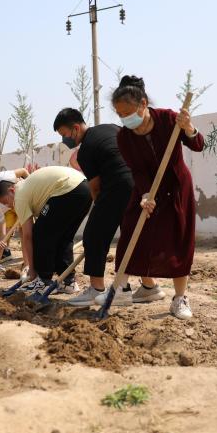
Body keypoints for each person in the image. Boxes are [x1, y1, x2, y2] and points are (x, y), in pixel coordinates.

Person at [94, 75, 204, 320]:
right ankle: (120, 289)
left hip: (176, 187)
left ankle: (179, 298)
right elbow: (137, 170)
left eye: (127, 112)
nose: (124, 119)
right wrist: (145, 193)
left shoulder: (168, 119)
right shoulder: (124, 137)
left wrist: (188, 127)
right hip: (147, 188)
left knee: (179, 239)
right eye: (119, 114)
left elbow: (198, 144)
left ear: (143, 104)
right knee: (133, 229)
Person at [53, 108, 165, 306]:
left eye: (65, 135)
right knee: (132, 237)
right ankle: (150, 287)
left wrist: (99, 215)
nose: (65, 140)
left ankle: (96, 288)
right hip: (140, 185)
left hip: (118, 186)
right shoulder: (110, 128)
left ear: (76, 128)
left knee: (93, 236)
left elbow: (95, 188)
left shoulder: (85, 150)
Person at [0, 166, 91, 293]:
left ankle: (43, 281)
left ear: (11, 190)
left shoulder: (19, 196)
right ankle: (68, 282)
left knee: (40, 234)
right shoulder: (28, 188)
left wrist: (33, 270)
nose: (9, 206)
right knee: (64, 237)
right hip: (85, 188)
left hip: (67, 189)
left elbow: (28, 236)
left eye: (6, 202)